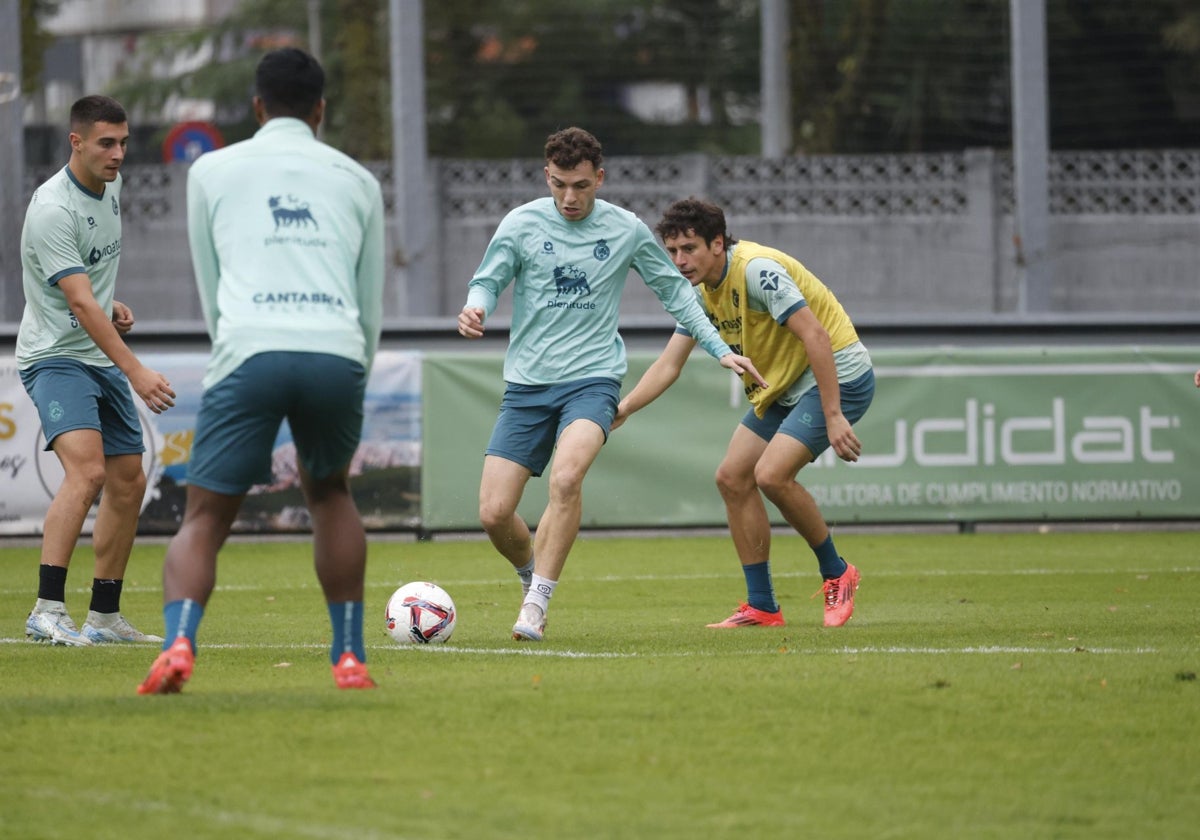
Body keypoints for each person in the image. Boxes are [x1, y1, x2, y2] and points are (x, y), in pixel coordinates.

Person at [137, 48, 385, 693]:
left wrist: (239, 347)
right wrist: (352, 364)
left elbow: (210, 279)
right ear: (320, 110)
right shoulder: (358, 179)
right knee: (330, 494)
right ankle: (350, 657)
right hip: (336, 350)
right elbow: (370, 301)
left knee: (204, 518)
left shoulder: (211, 171)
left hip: (247, 349)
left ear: (256, 106)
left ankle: (180, 643)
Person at [457, 127, 765, 642]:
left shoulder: (626, 230)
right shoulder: (521, 224)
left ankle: (537, 603)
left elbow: (678, 294)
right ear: (546, 176)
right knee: (493, 514)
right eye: (559, 185)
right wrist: (476, 308)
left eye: (580, 185)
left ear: (599, 178)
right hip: (528, 385)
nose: (569, 198)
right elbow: (488, 279)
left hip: (592, 379)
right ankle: (531, 573)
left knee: (566, 478)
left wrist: (720, 350)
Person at [613, 197, 875, 628]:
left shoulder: (757, 271)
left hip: (839, 376)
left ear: (718, 244)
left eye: (690, 248)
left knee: (771, 475)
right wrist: (625, 408)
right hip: (784, 386)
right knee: (732, 478)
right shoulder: (698, 293)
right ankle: (763, 606)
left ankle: (837, 571)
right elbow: (669, 364)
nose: (680, 260)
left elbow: (817, 336)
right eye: (673, 251)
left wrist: (833, 414)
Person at [18, 95, 177, 647]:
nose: (118, 155)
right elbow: (79, 304)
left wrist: (112, 303)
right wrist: (135, 371)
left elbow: (87, 291)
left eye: (124, 142)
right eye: (106, 143)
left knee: (128, 481)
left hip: (94, 350)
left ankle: (104, 618)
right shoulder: (51, 209)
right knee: (86, 473)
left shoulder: (112, 186)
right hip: (55, 357)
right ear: (76, 142)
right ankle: (46, 609)